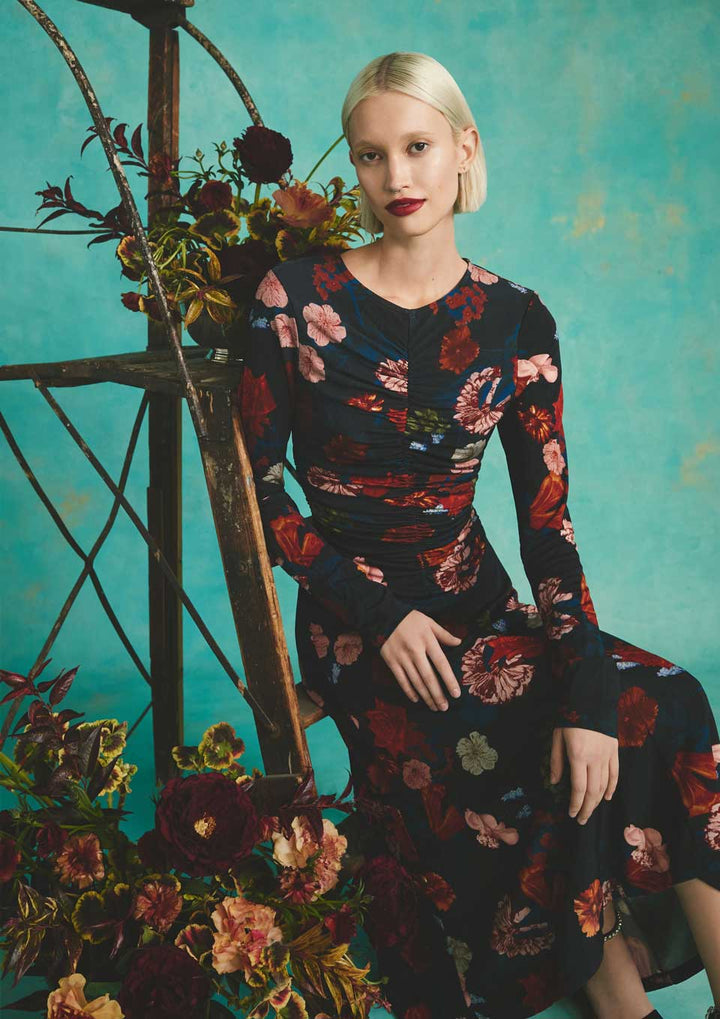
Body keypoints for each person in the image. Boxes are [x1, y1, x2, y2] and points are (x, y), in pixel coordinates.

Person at [237, 50, 720, 1019]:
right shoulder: (293, 298)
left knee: (662, 702)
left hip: (484, 609)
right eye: (371, 155)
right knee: (517, 752)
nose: (396, 177)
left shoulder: (515, 317)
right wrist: (377, 613)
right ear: (354, 165)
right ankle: (619, 1001)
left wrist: (588, 690)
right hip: (361, 630)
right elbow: (259, 492)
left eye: (417, 147)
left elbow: (548, 524)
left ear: (464, 149)